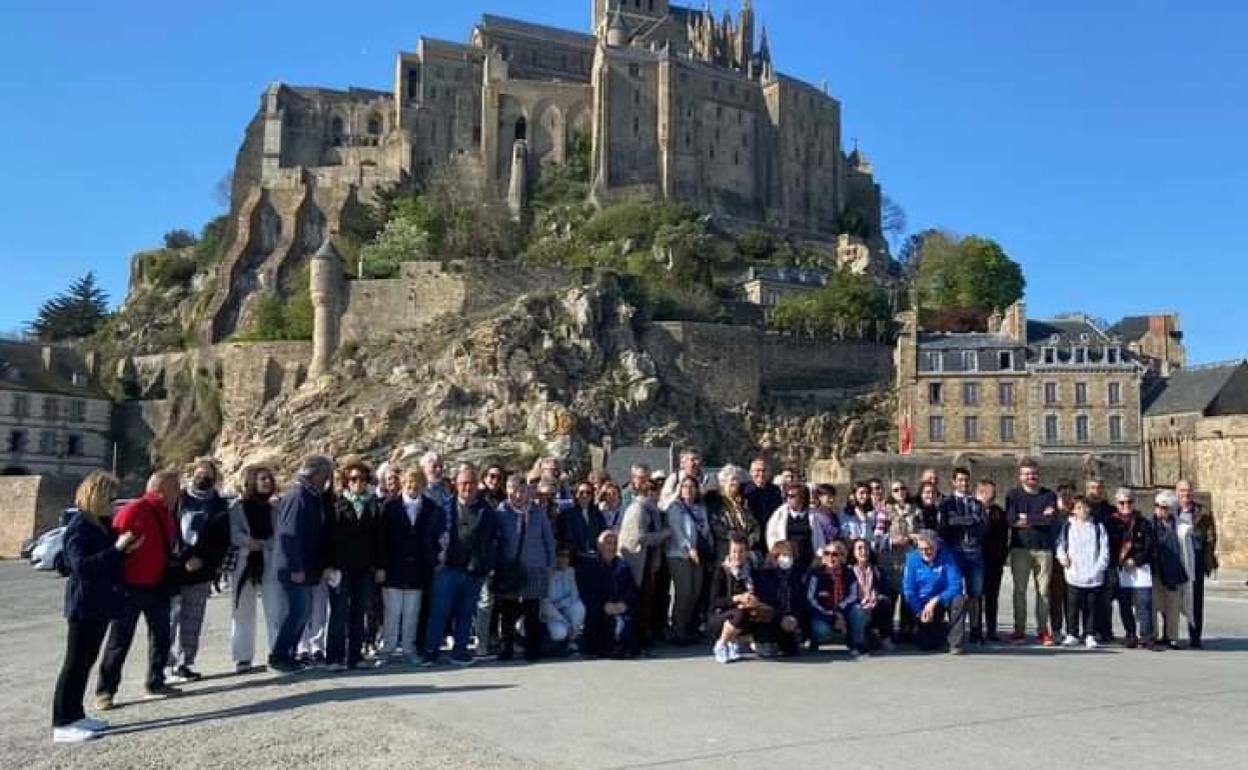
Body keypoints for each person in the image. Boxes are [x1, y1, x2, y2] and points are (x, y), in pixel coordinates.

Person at [52, 472, 137, 743]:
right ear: (97, 496)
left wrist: (125, 550)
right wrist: (118, 548)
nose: (115, 503)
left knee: (86, 661)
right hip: (84, 605)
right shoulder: (79, 526)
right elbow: (82, 566)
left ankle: (76, 715)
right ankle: (62, 722)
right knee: (75, 663)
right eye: (111, 497)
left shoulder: (102, 525)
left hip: (100, 603)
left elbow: (109, 560)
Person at [94, 469, 184, 709]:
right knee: (119, 640)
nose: (179, 492)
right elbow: (115, 543)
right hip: (130, 585)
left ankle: (155, 682)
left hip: (158, 585)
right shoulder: (135, 510)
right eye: (176, 487)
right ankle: (105, 691)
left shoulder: (168, 513)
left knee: (161, 636)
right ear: (162, 489)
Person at [424, 465, 502, 665]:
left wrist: (487, 565)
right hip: (447, 569)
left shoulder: (486, 511)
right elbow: (431, 536)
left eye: (471, 483)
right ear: (456, 486)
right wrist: (436, 561)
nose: (468, 487)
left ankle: (460, 652)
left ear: (477, 485)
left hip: (474, 571)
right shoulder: (443, 508)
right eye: (463, 483)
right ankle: (431, 651)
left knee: (466, 614)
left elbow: (495, 539)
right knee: (439, 611)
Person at [168, 457, 231, 683]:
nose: (203, 478)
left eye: (208, 475)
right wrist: (186, 556)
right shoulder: (179, 500)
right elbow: (171, 531)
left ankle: (184, 663)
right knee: (170, 618)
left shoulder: (219, 505)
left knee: (192, 619)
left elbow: (222, 540)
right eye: (199, 473)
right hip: (175, 567)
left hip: (202, 570)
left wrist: (204, 560)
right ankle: (164, 663)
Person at [269, 455, 333, 673]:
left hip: (303, 567)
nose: (327, 480)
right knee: (298, 612)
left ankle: (288, 653)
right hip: (294, 568)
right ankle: (279, 655)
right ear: (315, 474)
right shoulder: (298, 496)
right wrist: (296, 567)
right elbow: (289, 535)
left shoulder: (309, 496)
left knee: (302, 612)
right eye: (325, 475)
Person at [323, 459, 384, 671]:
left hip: (365, 567)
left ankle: (355, 656)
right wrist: (328, 565)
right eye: (353, 479)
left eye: (363, 479)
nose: (358, 483)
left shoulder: (374, 505)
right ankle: (334, 657)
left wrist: (379, 567)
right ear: (346, 481)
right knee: (339, 611)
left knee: (359, 612)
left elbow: (379, 540)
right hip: (340, 567)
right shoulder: (336, 505)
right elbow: (327, 539)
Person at [377, 467, 435, 664]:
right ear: (402, 483)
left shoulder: (430, 507)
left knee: (412, 612)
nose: (413, 486)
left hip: (418, 569)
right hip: (393, 568)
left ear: (423, 485)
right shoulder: (390, 506)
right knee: (392, 612)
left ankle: (409, 648)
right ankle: (388, 648)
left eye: (417, 482)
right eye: (409, 482)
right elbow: (382, 540)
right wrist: (381, 567)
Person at [227, 465, 281, 674]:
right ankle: (243, 658)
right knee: (242, 610)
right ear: (251, 481)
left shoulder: (275, 508)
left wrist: (265, 544)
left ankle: (277, 652)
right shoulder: (237, 507)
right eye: (262, 479)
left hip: (269, 560)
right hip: (245, 561)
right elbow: (233, 532)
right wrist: (250, 542)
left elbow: (280, 534)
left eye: (269, 478)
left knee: (274, 608)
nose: (266, 482)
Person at [497, 474, 556, 661]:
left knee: (533, 611)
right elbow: (495, 541)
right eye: (514, 491)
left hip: (535, 568)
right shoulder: (501, 512)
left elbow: (548, 541)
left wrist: (550, 565)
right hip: (510, 569)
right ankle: (506, 648)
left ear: (528, 492)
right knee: (508, 611)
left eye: (521, 491)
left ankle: (533, 649)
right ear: (507, 491)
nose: (518, 495)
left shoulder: (538, 512)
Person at [1006, 459, 1058, 646]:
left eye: (1033, 473)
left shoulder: (1049, 495)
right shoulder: (1013, 495)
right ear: (1020, 476)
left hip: (1044, 549)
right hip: (1020, 549)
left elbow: (1049, 521)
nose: (1031, 477)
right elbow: (1011, 520)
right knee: (1019, 591)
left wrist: (1026, 518)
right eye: (1026, 474)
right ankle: (1019, 630)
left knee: (1043, 592)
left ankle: (1043, 631)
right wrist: (1039, 517)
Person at [618, 480, 670, 651]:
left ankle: (644, 632)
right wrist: (662, 535)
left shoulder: (651, 510)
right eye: (655, 492)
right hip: (636, 559)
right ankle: (635, 635)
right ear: (649, 492)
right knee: (637, 598)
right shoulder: (637, 510)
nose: (658, 496)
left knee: (647, 599)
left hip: (648, 560)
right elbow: (638, 538)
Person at [937, 467, 987, 644]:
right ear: (953, 482)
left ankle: (975, 629)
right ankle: (955, 629)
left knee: (975, 592)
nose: (963, 483)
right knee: (955, 592)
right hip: (955, 551)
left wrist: (962, 521)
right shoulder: (947, 503)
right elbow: (946, 525)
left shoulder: (977, 504)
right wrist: (968, 521)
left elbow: (982, 527)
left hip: (974, 551)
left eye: (966, 480)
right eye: (960, 480)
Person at [1055, 496, 1109, 648]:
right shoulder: (1067, 526)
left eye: (1085, 507)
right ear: (1073, 510)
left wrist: (1098, 569)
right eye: (1078, 507)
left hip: (1093, 574)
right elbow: (1060, 545)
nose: (1083, 510)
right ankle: (1072, 633)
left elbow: (1104, 550)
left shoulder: (1098, 527)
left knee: (1091, 607)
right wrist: (1063, 559)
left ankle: (1090, 634)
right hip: (1074, 573)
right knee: (1072, 606)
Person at [1106, 488, 1156, 649]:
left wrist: (1136, 560)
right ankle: (1130, 634)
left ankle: (1147, 635)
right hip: (1121, 569)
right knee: (1125, 604)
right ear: (1117, 504)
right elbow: (1108, 547)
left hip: (1140, 569)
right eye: (1122, 502)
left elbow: (1149, 546)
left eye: (1129, 502)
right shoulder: (1110, 523)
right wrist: (1120, 561)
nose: (1126, 505)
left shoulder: (1143, 522)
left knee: (1144, 603)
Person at [666, 476, 713, 645]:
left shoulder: (701, 508)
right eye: (685, 486)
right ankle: (677, 630)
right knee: (683, 593)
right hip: (679, 554)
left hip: (698, 554)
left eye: (692, 486)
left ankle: (687, 629)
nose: (688, 489)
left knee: (695, 593)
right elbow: (676, 530)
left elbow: (706, 530)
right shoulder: (675, 508)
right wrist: (688, 547)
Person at [902, 531, 967, 654]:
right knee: (928, 645)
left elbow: (956, 585)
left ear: (937, 546)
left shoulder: (947, 557)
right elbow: (909, 589)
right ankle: (940, 631)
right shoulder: (912, 559)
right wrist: (919, 612)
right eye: (921, 549)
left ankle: (955, 644)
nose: (925, 552)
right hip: (922, 604)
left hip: (941, 600)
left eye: (929, 548)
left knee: (959, 600)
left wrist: (936, 600)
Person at [579, 530, 639, 658]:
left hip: (620, 607)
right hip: (599, 609)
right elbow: (585, 591)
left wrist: (624, 604)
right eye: (608, 543)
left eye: (614, 543)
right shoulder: (590, 565)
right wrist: (603, 605)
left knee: (626, 624)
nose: (611, 547)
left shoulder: (623, 566)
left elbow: (632, 590)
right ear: (600, 546)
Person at [707, 534, 766, 663]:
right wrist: (737, 598)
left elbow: (759, 592)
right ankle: (721, 644)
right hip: (720, 616)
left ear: (747, 552)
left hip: (744, 613)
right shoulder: (721, 571)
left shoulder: (751, 571)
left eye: (741, 551)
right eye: (734, 551)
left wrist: (753, 600)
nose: (737, 555)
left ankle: (737, 642)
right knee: (739, 614)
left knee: (761, 612)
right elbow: (715, 601)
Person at [1175, 479, 1216, 648]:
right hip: (1176, 559)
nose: (1186, 494)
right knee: (1172, 600)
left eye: (1188, 491)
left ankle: (1195, 636)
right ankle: (1170, 635)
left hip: (1196, 559)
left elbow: (1211, 536)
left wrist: (1208, 556)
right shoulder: (1171, 510)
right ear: (1177, 492)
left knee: (1196, 600)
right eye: (1182, 491)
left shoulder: (1203, 512)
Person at [807, 541, 865, 656]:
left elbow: (853, 596)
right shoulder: (815, 574)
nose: (830, 557)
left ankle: (856, 644)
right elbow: (810, 599)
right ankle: (815, 640)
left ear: (842, 557)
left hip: (843, 612)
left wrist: (839, 612)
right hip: (822, 614)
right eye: (826, 553)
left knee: (858, 610)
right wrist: (832, 616)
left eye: (834, 554)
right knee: (822, 631)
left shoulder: (849, 573)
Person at [1151, 491, 1190, 650]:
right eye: (1157, 506)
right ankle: (1153, 635)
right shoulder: (1149, 523)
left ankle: (1172, 636)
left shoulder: (1180, 526)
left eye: (1164, 507)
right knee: (1153, 603)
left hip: (1174, 570)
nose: (1160, 509)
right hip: (1156, 569)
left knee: (1173, 605)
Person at [754, 540, 807, 656]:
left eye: (790, 556)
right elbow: (765, 601)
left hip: (790, 620)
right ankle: (761, 641)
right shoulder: (764, 575)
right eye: (784, 555)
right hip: (771, 618)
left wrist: (795, 617)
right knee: (767, 652)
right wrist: (781, 617)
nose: (787, 559)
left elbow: (801, 600)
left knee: (792, 652)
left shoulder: (797, 576)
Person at [883, 480, 921, 640]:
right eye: (896, 490)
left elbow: (921, 532)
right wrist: (892, 540)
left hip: (909, 556)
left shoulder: (916, 511)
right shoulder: (885, 510)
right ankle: (888, 629)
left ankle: (906, 629)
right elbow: (878, 534)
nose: (900, 492)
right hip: (890, 558)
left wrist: (910, 538)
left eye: (903, 488)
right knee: (891, 595)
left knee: (908, 594)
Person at [977, 479, 1010, 642]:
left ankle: (991, 630)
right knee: (976, 597)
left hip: (994, 561)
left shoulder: (998, 511)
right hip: (976, 560)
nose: (994, 495)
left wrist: (1002, 558)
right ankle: (976, 630)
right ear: (982, 492)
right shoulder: (972, 509)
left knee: (992, 597)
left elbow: (1004, 537)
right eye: (991, 492)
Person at [706, 465, 762, 561]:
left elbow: (754, 524)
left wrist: (750, 540)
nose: (735, 483)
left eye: (737, 480)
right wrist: (736, 539)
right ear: (723, 482)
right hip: (726, 549)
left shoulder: (743, 501)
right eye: (732, 480)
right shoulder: (716, 502)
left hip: (746, 548)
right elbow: (716, 525)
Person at [766, 483, 826, 572]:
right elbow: (771, 536)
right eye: (787, 495)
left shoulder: (812, 516)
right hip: (785, 560)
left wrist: (818, 557)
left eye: (792, 496)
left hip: (808, 560)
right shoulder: (779, 514)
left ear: (802, 497)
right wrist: (777, 553)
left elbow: (820, 540)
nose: (788, 499)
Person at [849, 538, 894, 651]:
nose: (863, 551)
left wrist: (877, 598)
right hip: (856, 607)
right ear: (853, 552)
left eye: (866, 548)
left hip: (874, 606)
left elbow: (885, 590)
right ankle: (858, 641)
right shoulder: (848, 571)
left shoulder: (877, 570)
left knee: (885, 602)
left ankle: (885, 638)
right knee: (857, 610)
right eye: (859, 548)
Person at [1047, 480, 1076, 643]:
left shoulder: (1077, 513)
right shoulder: (1052, 515)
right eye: (1062, 494)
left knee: (1072, 597)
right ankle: (1056, 628)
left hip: (1074, 560)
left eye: (1069, 495)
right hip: (1055, 560)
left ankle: (1072, 630)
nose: (1066, 498)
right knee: (1056, 596)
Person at [543, 543, 586, 654]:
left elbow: (574, 595)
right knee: (559, 633)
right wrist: (564, 621)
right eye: (560, 555)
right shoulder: (547, 574)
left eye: (566, 556)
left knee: (579, 607)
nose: (563, 559)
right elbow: (546, 603)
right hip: (552, 614)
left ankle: (572, 640)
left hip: (565, 608)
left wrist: (563, 605)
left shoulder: (571, 571)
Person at [558, 481, 607, 558]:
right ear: (576, 495)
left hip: (595, 556)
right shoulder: (567, 514)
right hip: (575, 557)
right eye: (581, 492)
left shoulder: (597, 514)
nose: (585, 495)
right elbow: (566, 536)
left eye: (588, 492)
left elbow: (603, 533)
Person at [744, 457, 783, 531]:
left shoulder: (775, 491)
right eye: (757, 470)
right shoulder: (743, 490)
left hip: (770, 531)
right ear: (751, 472)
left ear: (769, 472)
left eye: (764, 470)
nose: (761, 474)